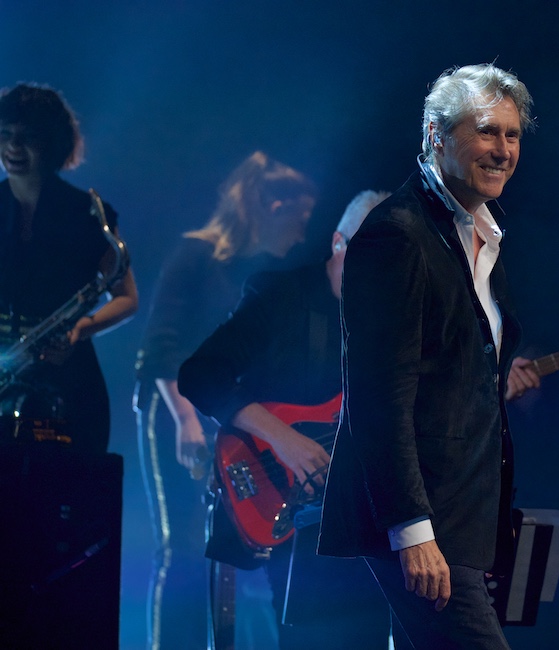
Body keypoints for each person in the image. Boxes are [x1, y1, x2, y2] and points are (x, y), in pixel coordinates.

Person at [317, 63, 540, 649]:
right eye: (487, 131)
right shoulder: (398, 235)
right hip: (418, 519)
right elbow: (378, 400)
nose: (503, 150)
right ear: (437, 135)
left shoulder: (480, 235)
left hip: (462, 516)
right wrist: (412, 531)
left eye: (512, 135)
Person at [177, 189, 392, 649]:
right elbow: (200, 373)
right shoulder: (282, 295)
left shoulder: (391, 326)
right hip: (282, 505)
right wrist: (283, 439)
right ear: (338, 242)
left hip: (359, 519)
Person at [134, 150, 316, 650]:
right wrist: (186, 421)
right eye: (299, 220)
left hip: (230, 417)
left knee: (231, 547)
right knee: (184, 544)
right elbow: (162, 349)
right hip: (175, 408)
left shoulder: (261, 272)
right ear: (270, 206)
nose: (303, 234)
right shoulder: (194, 255)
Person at [0, 82, 139, 454]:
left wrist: (82, 328)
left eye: (27, 136)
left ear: (51, 143)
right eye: (6, 134)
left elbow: (127, 298)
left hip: (68, 385)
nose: (13, 146)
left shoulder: (88, 213)